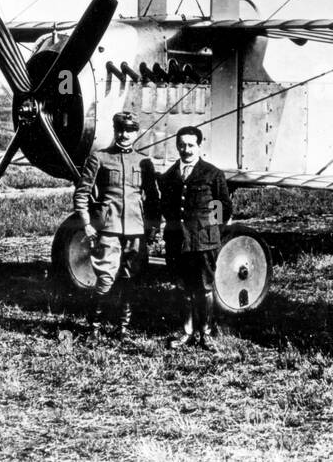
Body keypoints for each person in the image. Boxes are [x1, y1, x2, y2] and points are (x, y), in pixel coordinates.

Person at [73, 111, 159, 336]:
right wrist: (87, 224)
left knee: (130, 278)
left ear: (135, 133)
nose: (124, 135)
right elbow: (81, 194)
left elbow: (153, 198)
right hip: (108, 228)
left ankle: (123, 327)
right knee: (106, 278)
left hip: (135, 229)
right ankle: (94, 326)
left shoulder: (144, 161)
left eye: (129, 130)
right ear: (115, 130)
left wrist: (153, 226)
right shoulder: (99, 158)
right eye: (120, 130)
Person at [158, 125, 232, 351]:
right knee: (183, 287)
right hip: (178, 242)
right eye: (181, 145)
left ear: (199, 146)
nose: (186, 150)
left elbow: (223, 207)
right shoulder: (170, 175)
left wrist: (211, 229)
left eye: (190, 145)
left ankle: (206, 333)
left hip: (203, 241)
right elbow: (166, 207)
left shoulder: (212, 174)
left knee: (204, 287)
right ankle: (187, 332)